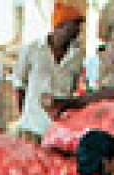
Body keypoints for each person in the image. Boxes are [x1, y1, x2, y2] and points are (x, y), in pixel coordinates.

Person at [12, 0, 84, 141]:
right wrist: (25, 117)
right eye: (74, 26)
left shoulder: (77, 56)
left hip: (59, 131)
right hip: (32, 128)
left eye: (79, 27)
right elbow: (19, 85)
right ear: (61, 26)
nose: (78, 31)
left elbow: (73, 91)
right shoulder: (32, 49)